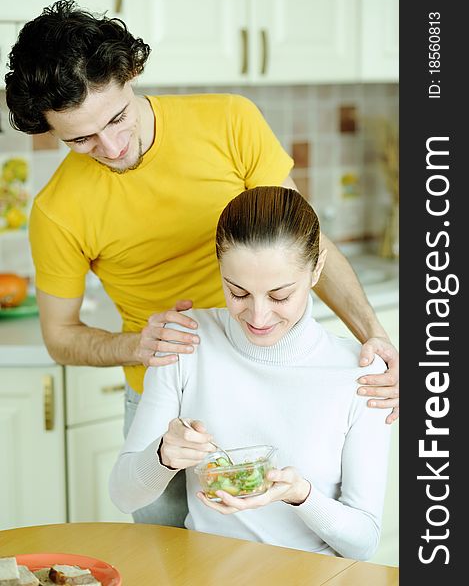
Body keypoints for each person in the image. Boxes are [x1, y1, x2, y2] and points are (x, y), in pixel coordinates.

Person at [5, 0, 399, 528]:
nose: (112, 145)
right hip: (166, 404)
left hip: (275, 380)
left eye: (117, 117)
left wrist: (374, 334)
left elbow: (301, 241)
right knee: (170, 563)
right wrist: (136, 346)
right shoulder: (56, 211)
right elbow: (61, 336)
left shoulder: (229, 120)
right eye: (80, 139)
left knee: (299, 540)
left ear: (131, 73)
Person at [109, 187, 391, 559]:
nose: (258, 318)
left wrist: (301, 495)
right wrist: (162, 456)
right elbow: (123, 495)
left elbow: (364, 542)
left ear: (317, 268)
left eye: (279, 296)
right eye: (238, 292)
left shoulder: (360, 374)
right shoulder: (186, 342)